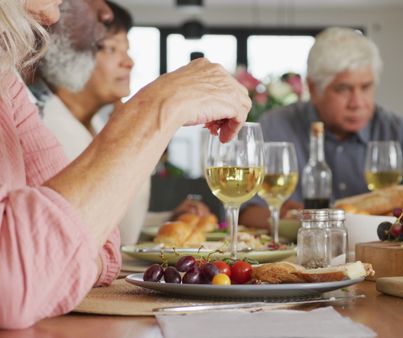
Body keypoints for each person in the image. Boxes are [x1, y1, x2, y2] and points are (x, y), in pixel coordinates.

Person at [0, 0, 250, 330]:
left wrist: (61, 257)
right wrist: (158, 106)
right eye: (111, 47)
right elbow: (15, 284)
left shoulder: (7, 85)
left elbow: (102, 242)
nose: (100, 10)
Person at [33, 1, 211, 245]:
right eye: (111, 49)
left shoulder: (97, 123)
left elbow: (107, 220)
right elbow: (64, 230)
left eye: (126, 49)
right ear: (65, 51)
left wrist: (166, 219)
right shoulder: (40, 127)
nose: (129, 62)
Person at [239, 27, 403, 228]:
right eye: (343, 89)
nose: (357, 102)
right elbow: (242, 209)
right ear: (313, 88)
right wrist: (287, 215)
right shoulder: (275, 127)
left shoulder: (398, 131)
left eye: (366, 87)